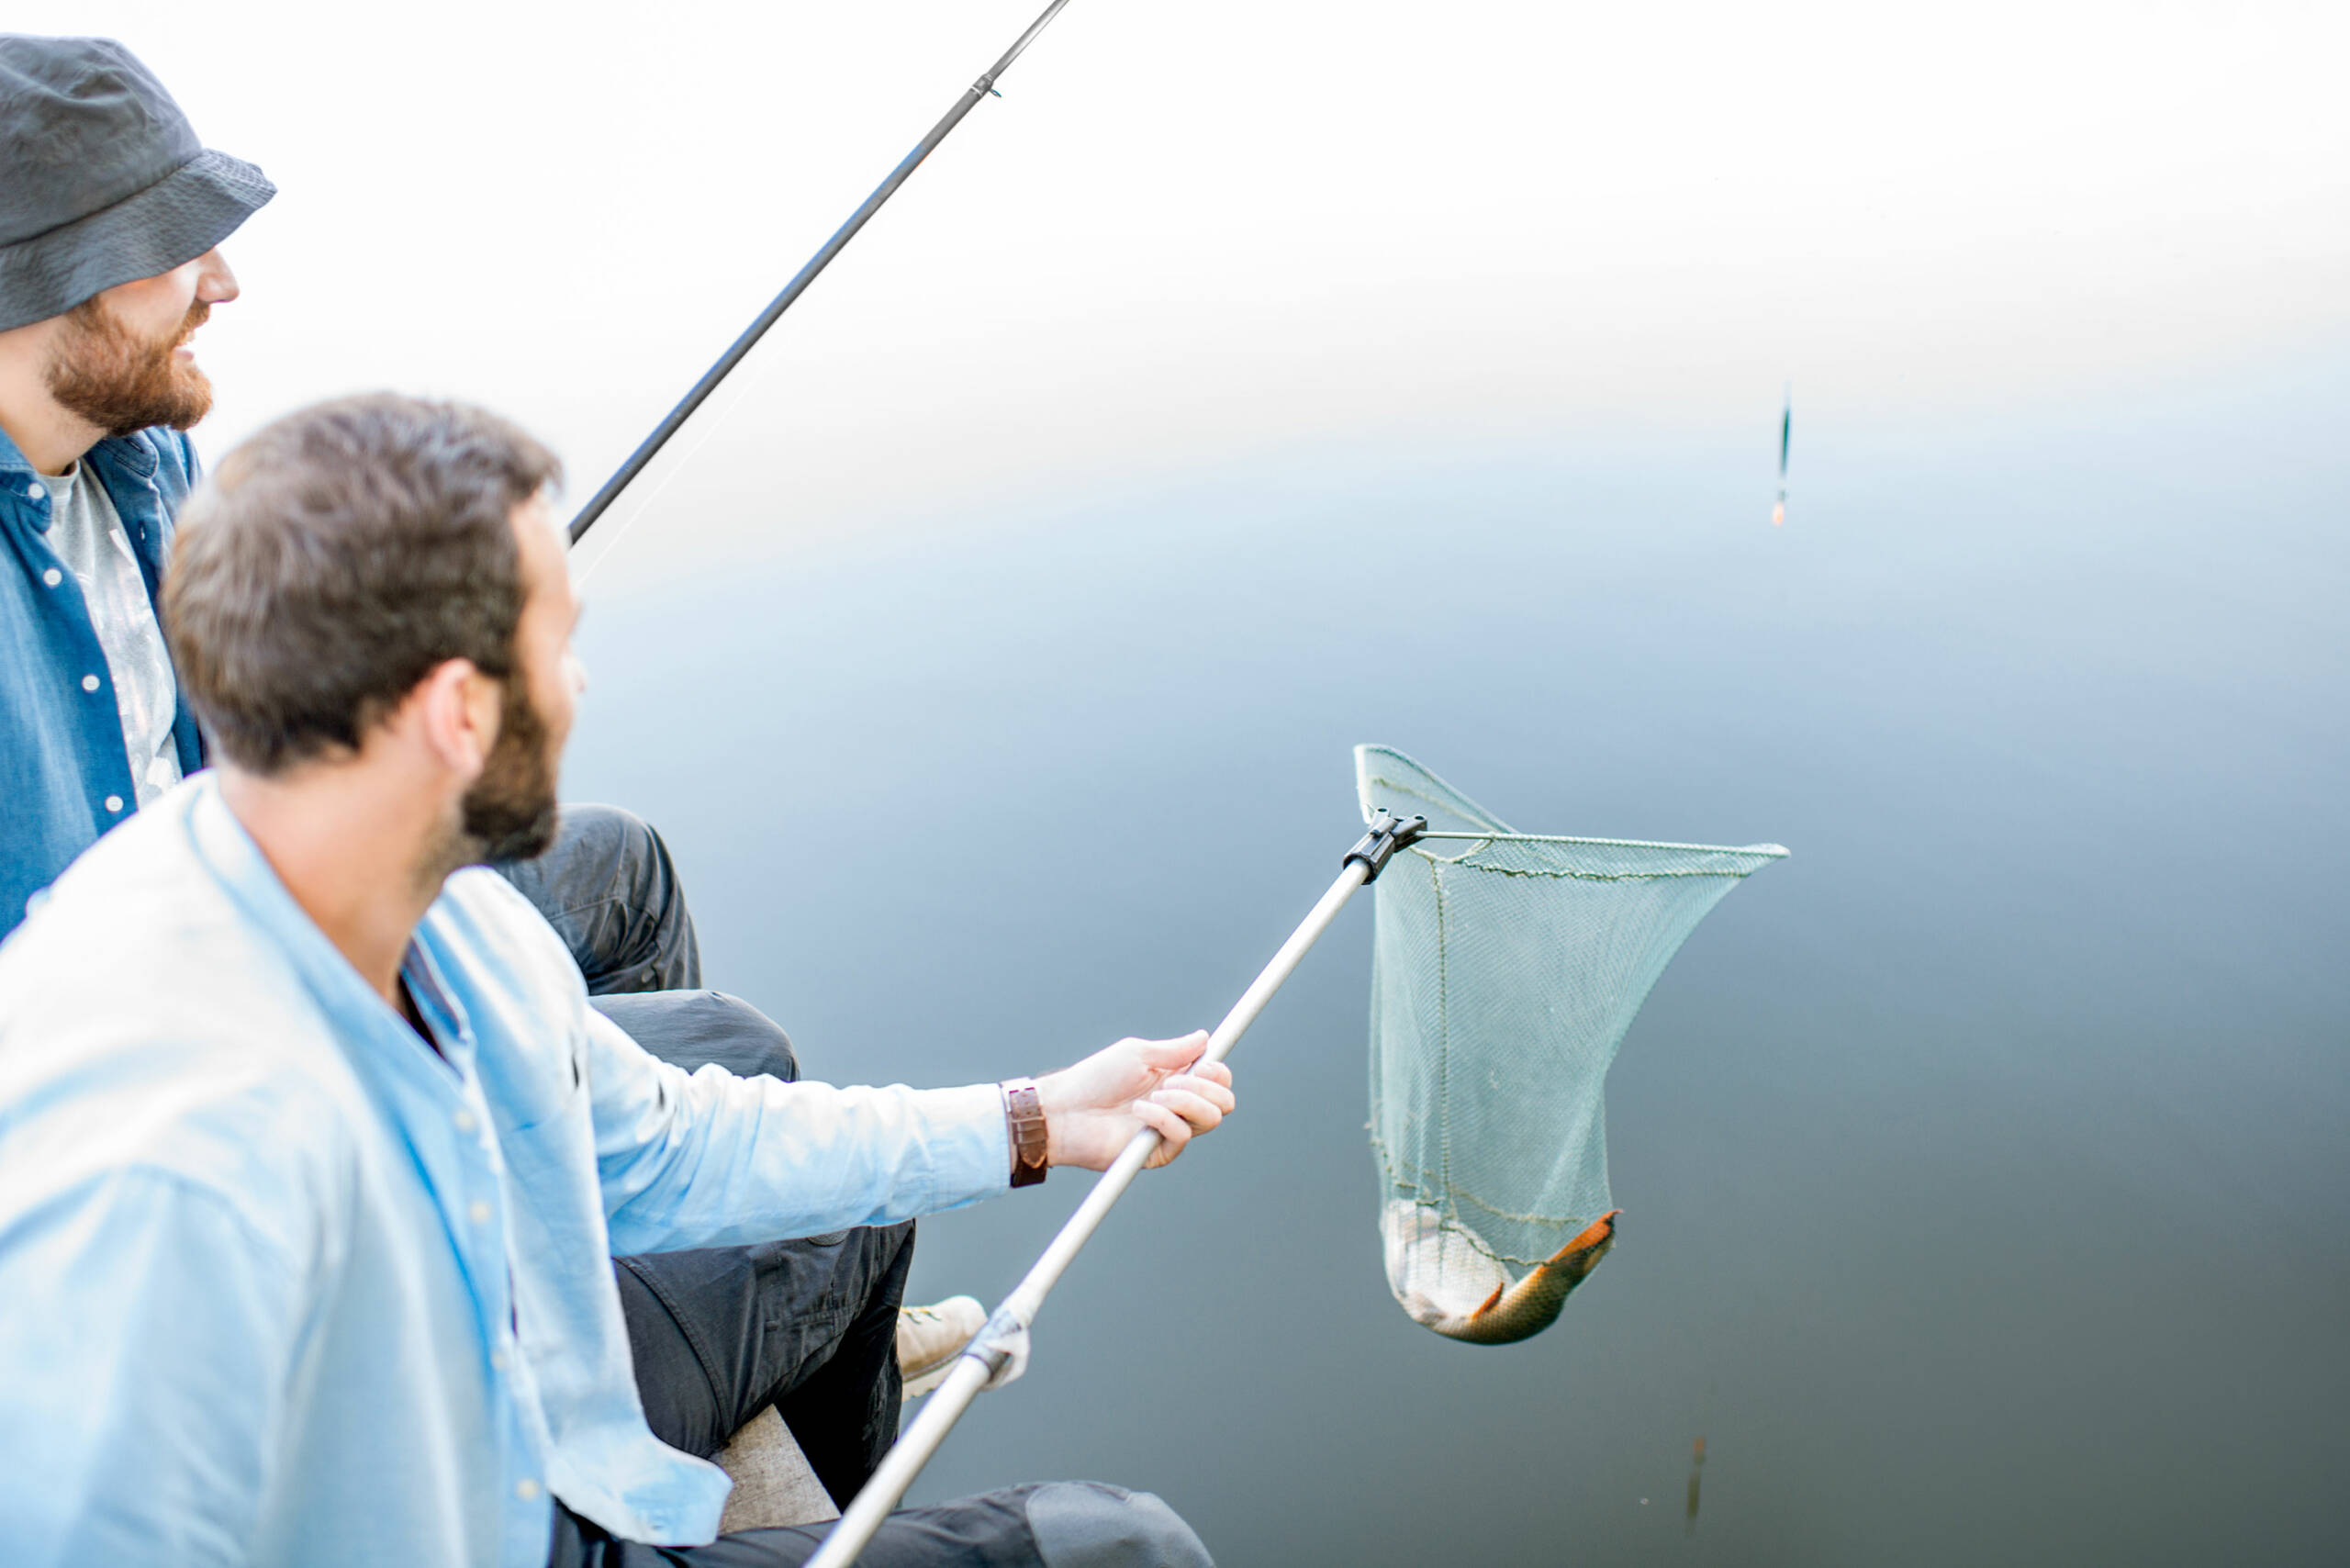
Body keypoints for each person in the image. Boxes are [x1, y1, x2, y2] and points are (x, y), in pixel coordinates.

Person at [0, 391, 1235, 1567]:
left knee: (846, 1217)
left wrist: (1036, 1121)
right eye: (560, 648)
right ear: (456, 717)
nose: (580, 686)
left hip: (551, 1454)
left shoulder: (444, 913)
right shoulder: (177, 1170)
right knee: (1124, 1549)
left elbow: (662, 1150)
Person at [0, 32, 980, 1462]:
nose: (224, 281)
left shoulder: (135, 454)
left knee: (618, 870)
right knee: (753, 1076)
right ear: (45, 273)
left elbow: (232, 730)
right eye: (176, 245)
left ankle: (661, 1270)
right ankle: (702, 1320)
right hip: (198, 1079)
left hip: (259, 920)